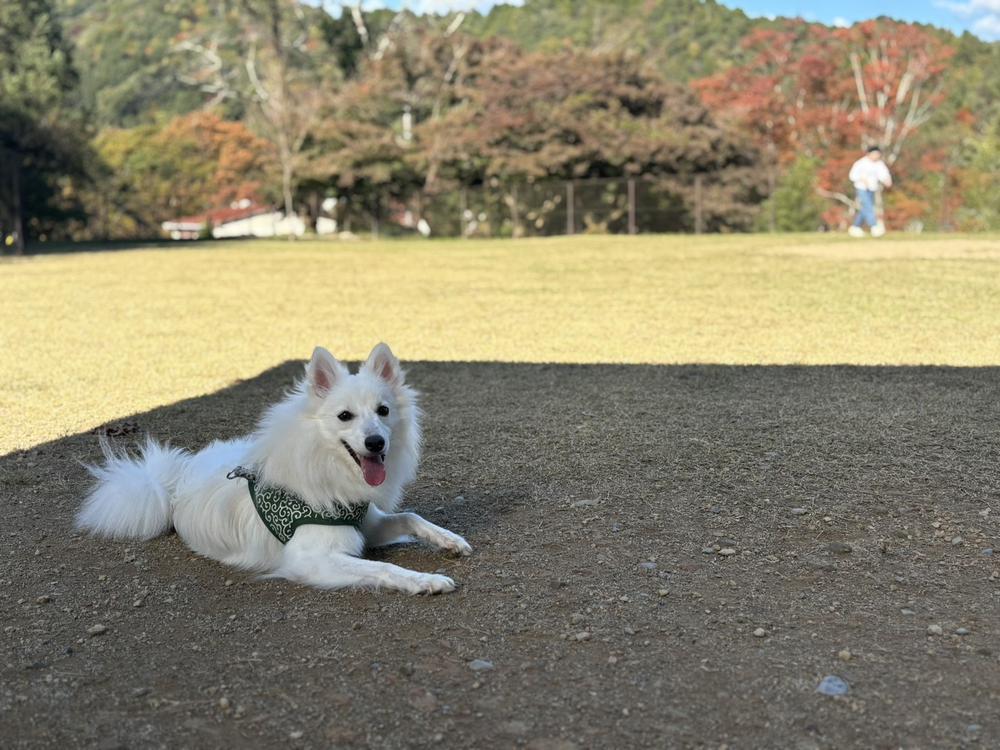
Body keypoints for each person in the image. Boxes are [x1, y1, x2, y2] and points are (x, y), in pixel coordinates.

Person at [847, 145, 892, 237]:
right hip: (861, 188)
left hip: (872, 189)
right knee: (869, 207)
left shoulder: (879, 164)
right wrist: (861, 179)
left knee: (865, 209)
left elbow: (883, 174)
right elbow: (852, 175)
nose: (876, 156)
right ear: (869, 154)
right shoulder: (861, 163)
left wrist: (887, 180)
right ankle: (874, 226)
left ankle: (855, 227)